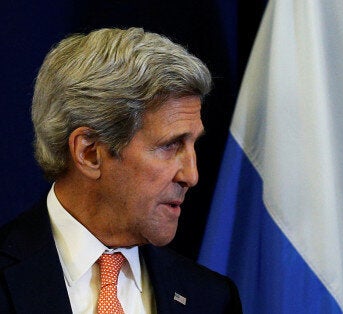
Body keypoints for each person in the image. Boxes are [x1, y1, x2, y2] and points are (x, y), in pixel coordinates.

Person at [0, 27, 242, 313]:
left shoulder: (211, 299)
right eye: (170, 145)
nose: (191, 176)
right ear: (89, 153)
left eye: (193, 145)